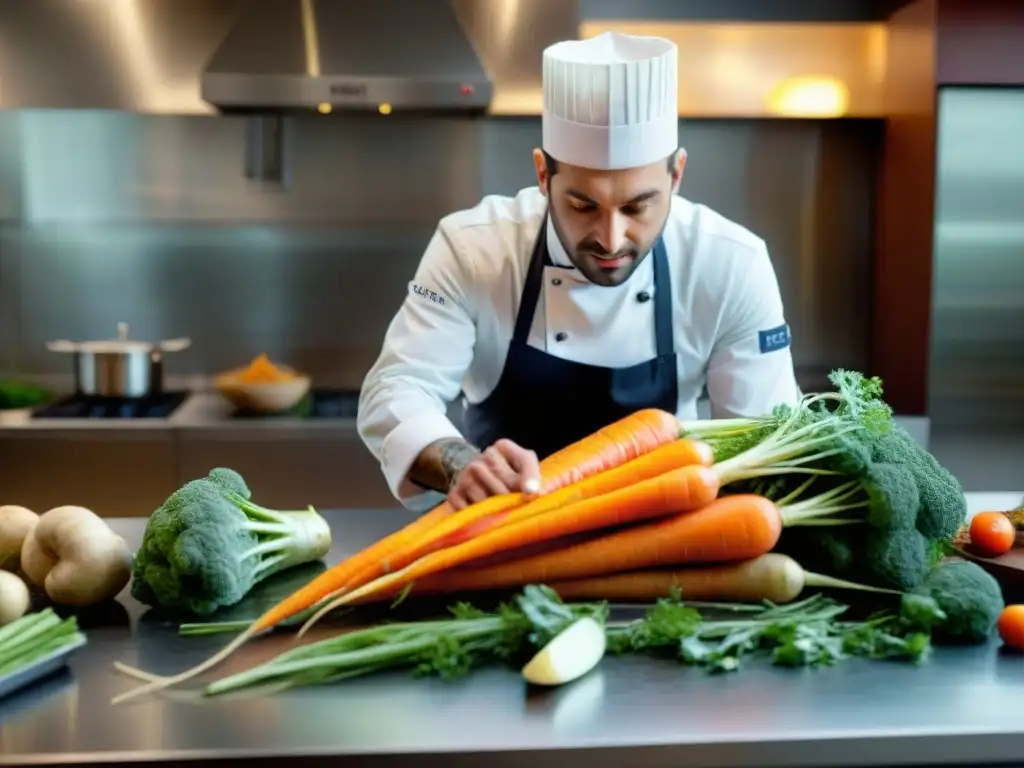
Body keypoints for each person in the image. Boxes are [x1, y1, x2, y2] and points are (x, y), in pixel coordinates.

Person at [358, 31, 801, 513]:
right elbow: (396, 391)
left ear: (676, 175)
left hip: (665, 545)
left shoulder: (729, 265)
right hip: (498, 541)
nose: (611, 239)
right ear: (543, 175)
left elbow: (766, 447)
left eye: (638, 207)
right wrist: (462, 464)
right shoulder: (474, 250)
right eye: (583, 205)